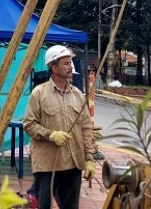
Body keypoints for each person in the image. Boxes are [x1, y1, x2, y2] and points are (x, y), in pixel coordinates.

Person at [23, 45, 96, 209]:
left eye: (70, 62)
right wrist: (50, 135)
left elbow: (86, 128)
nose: (70, 66)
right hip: (47, 164)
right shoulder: (39, 94)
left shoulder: (78, 95)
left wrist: (89, 159)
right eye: (65, 63)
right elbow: (29, 125)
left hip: (73, 163)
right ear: (53, 67)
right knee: (44, 205)